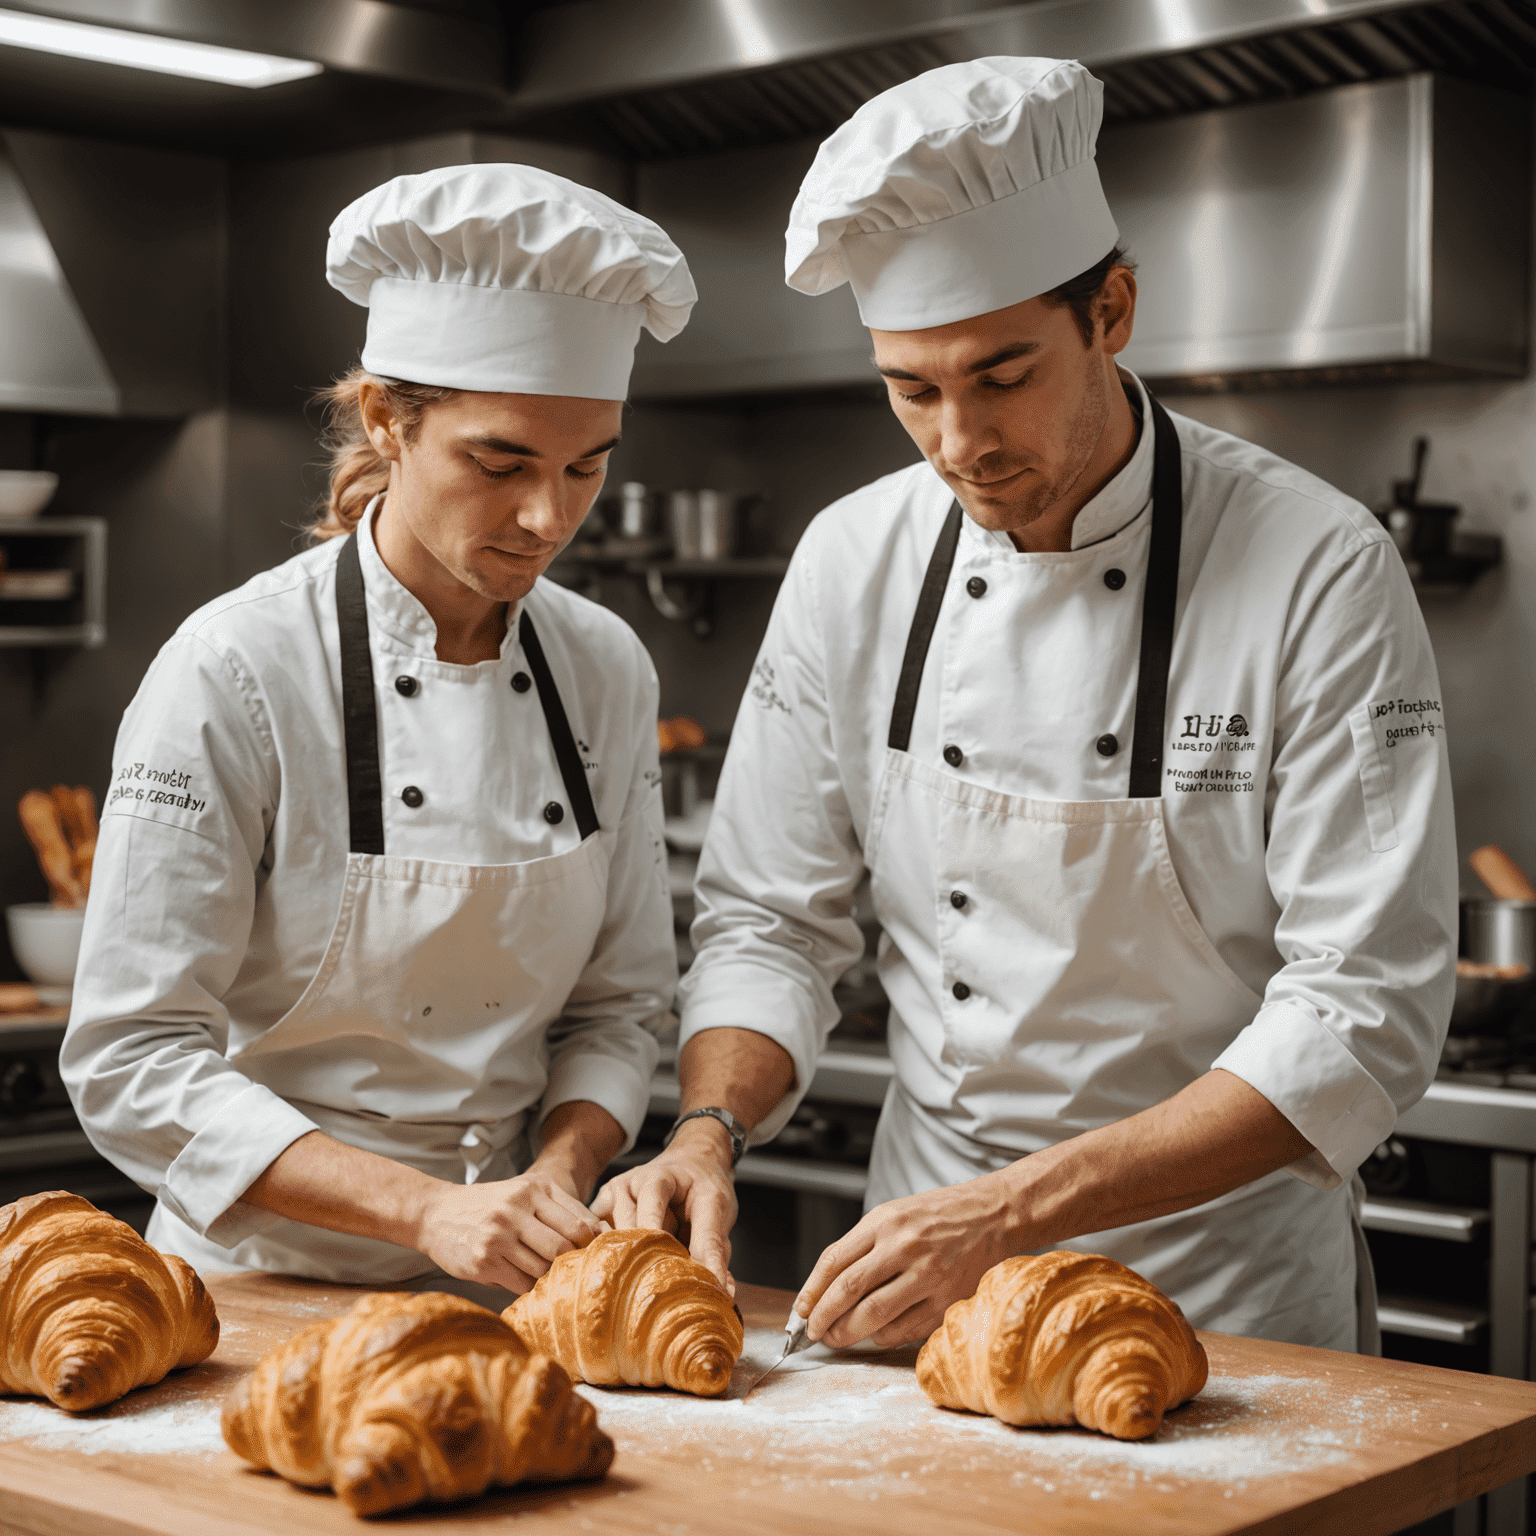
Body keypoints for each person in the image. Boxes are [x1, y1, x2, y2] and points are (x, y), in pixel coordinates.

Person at [596, 56, 1456, 1352]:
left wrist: (1012, 1212)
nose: (959, 442)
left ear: (1111, 310)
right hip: (924, 1295)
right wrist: (707, 1130)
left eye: (1002, 376)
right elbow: (772, 920)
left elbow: (1366, 1016)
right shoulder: (851, 560)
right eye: (912, 390)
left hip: (1227, 1308)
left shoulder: (1318, 566)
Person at [62, 164, 694, 1295]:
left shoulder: (604, 667)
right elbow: (132, 1058)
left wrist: (558, 1171)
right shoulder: (234, 668)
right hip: (250, 1294)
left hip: (510, 1287)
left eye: (586, 466)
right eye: (498, 463)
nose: (549, 517)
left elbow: (622, 1004)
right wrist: (424, 1211)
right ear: (386, 421)